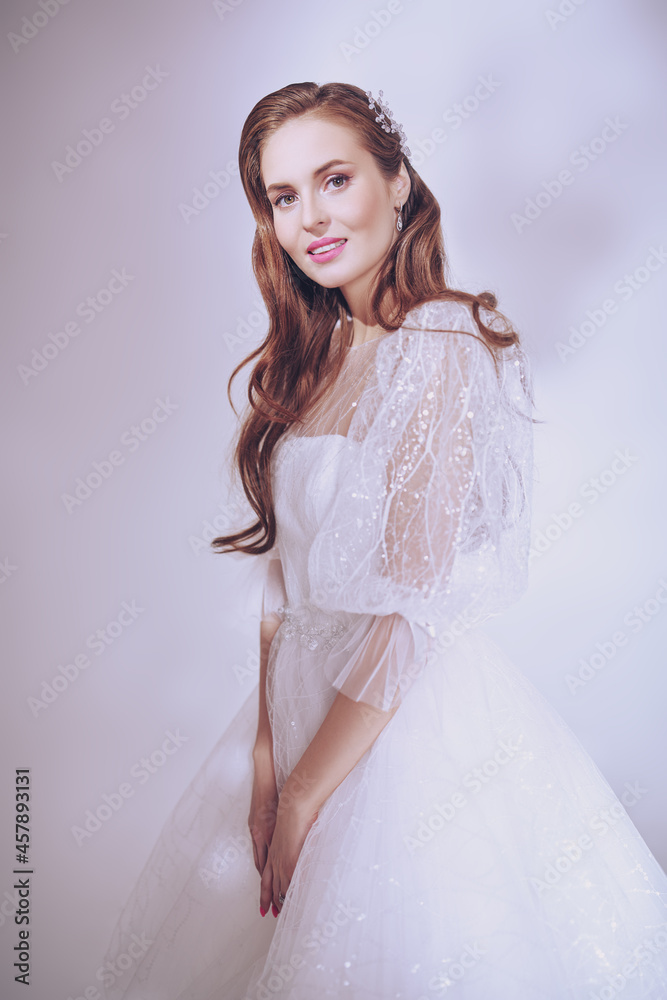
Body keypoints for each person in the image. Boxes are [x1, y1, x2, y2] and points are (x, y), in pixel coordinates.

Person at [100, 82, 667, 999]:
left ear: (396, 182)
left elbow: (412, 599)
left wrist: (305, 793)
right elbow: (282, 585)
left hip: (397, 730)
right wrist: (264, 761)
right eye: (284, 197)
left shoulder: (441, 341)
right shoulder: (315, 357)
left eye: (335, 179)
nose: (311, 218)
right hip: (292, 716)